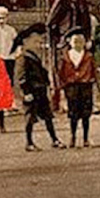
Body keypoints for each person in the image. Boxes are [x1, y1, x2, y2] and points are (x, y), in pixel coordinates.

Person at [14, 23, 66, 151]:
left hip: (40, 90)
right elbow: (21, 77)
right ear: (26, 42)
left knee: (48, 117)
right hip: (31, 91)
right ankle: (29, 142)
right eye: (35, 41)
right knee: (30, 118)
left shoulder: (33, 56)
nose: (38, 44)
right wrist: (26, 92)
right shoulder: (23, 58)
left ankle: (54, 139)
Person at [47, 0, 92, 111]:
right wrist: (56, 40)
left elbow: (87, 21)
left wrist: (88, 38)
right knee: (64, 70)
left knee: (81, 69)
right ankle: (63, 101)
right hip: (65, 41)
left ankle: (79, 101)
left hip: (80, 40)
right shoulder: (62, 1)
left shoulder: (82, 0)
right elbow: (50, 23)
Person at [57, 28, 97, 148]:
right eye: (75, 41)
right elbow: (61, 72)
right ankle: (72, 136)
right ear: (69, 42)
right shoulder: (65, 57)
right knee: (73, 113)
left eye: (80, 41)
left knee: (86, 113)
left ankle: (85, 138)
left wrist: (93, 80)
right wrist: (63, 87)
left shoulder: (88, 56)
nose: (78, 44)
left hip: (85, 86)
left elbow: (94, 71)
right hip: (72, 87)